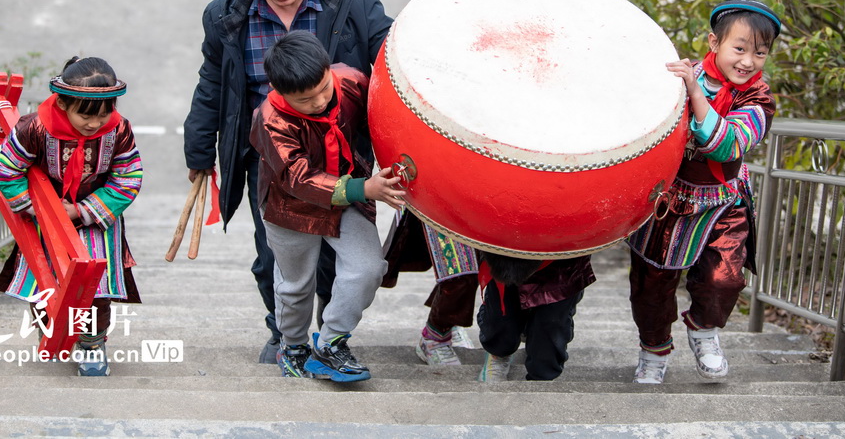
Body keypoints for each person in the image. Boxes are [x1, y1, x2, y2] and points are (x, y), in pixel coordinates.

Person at [183, 0, 392, 363]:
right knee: (273, 256)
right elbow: (213, 82)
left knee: (343, 258)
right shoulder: (226, 15)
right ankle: (284, 335)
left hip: (340, 152)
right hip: (271, 154)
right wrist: (200, 149)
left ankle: (331, 339)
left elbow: (388, 57)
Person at [627, 0, 781, 384]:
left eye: (760, 53)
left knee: (724, 278)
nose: (748, 61)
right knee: (653, 282)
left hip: (723, 199)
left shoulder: (759, 98)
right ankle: (653, 350)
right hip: (670, 198)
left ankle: (705, 330)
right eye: (740, 48)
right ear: (715, 43)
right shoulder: (678, 77)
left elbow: (728, 144)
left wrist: (695, 93)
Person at [249, 31, 404, 381]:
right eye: (305, 99)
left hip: (349, 196)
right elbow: (297, 178)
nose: (319, 101)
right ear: (278, 90)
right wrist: (364, 188)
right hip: (291, 209)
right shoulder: (270, 119)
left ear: (327, 70)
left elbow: (387, 113)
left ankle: (332, 340)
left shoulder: (351, 81)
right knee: (295, 284)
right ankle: (293, 346)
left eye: (323, 88)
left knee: (368, 268)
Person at [0, 56, 142, 377]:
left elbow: (128, 177)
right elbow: (6, 169)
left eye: (104, 114)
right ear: (62, 102)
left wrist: (81, 211)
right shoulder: (34, 128)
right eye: (85, 115)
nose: (95, 124)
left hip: (97, 221)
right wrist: (38, 210)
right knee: (45, 283)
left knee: (96, 286)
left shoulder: (119, 131)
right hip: (46, 219)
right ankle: (54, 331)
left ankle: (91, 345)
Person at [475, 251, 595, 382]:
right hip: (508, 250)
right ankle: (498, 352)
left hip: (562, 254)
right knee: (503, 316)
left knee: (551, 322)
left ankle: (542, 377)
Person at [382, 211, 479, 366]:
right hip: (438, 200)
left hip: (483, 202)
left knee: (476, 261)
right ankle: (435, 337)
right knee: (460, 270)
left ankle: (449, 323)